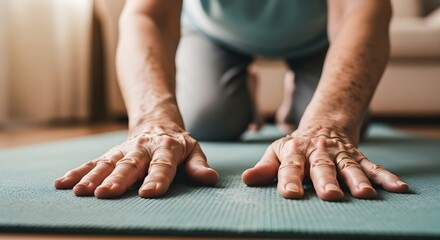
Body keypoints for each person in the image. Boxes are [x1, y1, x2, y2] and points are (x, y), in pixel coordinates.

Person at [54, 0, 409, 201]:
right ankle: (247, 91)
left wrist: (329, 122)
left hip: (318, 36)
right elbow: (146, 14)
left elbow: (362, 10)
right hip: (216, 32)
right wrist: (152, 123)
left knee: (324, 122)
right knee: (210, 120)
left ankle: (295, 99)